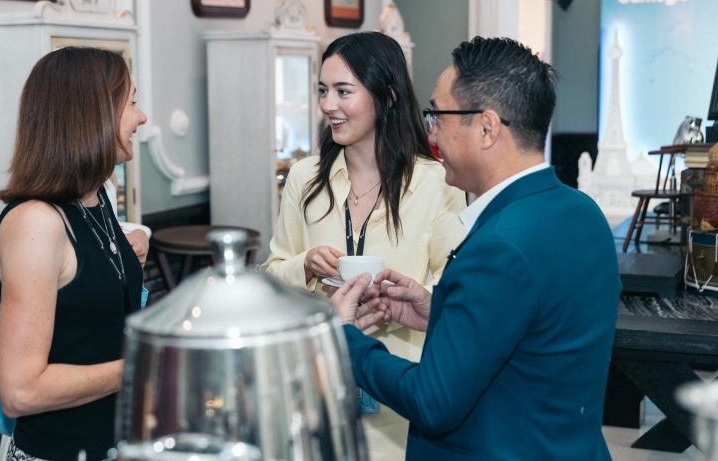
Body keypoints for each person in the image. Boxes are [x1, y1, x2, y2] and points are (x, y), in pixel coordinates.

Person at [331, 37, 621, 460]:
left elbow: (432, 403)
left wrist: (346, 340)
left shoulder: (500, 247)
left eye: (437, 115)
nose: (430, 134)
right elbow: (538, 341)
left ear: (487, 128)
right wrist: (442, 316)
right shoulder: (583, 213)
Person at [261, 31, 467, 460]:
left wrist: (413, 297)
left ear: (387, 96)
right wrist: (305, 264)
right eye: (322, 91)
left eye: (343, 91)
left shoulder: (435, 182)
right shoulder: (304, 178)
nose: (327, 105)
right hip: (316, 385)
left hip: (399, 384)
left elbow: (455, 290)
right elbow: (269, 278)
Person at [0, 47, 147, 461]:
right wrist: (145, 365)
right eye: (131, 102)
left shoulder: (94, 200)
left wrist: (127, 258)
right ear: (91, 115)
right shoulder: (36, 223)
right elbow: (20, 391)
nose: (142, 117)